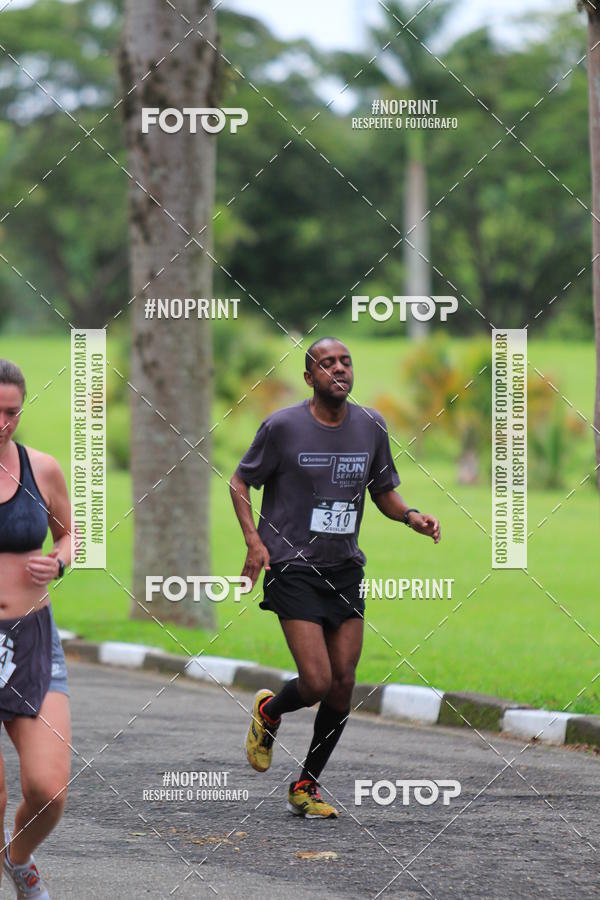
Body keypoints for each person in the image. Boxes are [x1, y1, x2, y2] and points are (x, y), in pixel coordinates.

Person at [230, 337, 441, 819]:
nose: (338, 370)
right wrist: (253, 541)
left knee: (344, 683)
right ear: (310, 377)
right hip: (292, 566)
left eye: (345, 361)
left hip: (344, 568)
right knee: (317, 680)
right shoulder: (283, 427)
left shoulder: (370, 426)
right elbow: (240, 482)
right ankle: (269, 711)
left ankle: (306, 785)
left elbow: (384, 491)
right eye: (327, 364)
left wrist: (411, 516)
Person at [0, 359, 72, 898]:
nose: (3, 422)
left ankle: (19, 860)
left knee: (48, 790)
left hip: (33, 638)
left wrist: (59, 560)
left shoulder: (40, 468)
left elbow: (71, 535)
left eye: (12, 412)